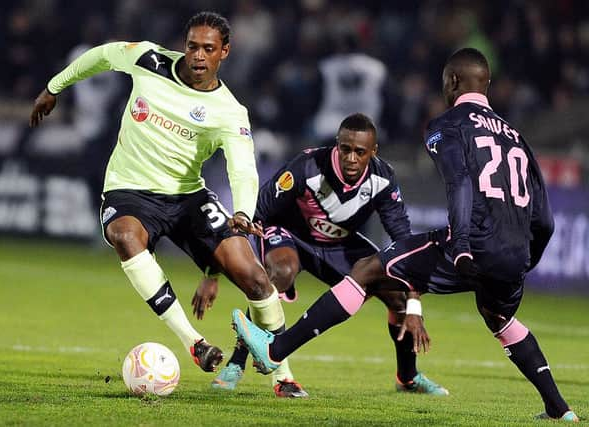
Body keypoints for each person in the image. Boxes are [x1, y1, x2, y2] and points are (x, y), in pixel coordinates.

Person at [232, 47, 579, 422]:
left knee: (368, 269)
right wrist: (527, 259)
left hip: (473, 241)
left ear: (451, 82)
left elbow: (460, 182)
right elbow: (544, 220)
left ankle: (274, 350)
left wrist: (460, 243)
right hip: (515, 252)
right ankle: (559, 410)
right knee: (500, 318)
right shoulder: (517, 137)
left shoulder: (446, 125)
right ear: (488, 85)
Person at [29, 11, 292, 377]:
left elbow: (243, 169)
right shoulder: (149, 59)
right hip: (129, 189)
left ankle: (284, 375)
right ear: (184, 46)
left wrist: (244, 213)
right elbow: (102, 55)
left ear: (225, 52)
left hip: (187, 197)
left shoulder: (230, 112)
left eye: (208, 49)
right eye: (192, 47)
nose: (198, 56)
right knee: (124, 235)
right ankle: (193, 342)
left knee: (255, 277)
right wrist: (53, 87)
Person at [193, 113, 447, 397]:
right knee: (280, 273)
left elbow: (404, 242)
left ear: (372, 153)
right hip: (291, 235)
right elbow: (256, 214)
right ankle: (238, 362)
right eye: (345, 149)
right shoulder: (306, 166)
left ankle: (408, 377)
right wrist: (212, 272)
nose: (351, 158)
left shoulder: (383, 179)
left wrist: (414, 304)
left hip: (340, 244)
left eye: (360, 152)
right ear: (336, 145)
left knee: (397, 293)